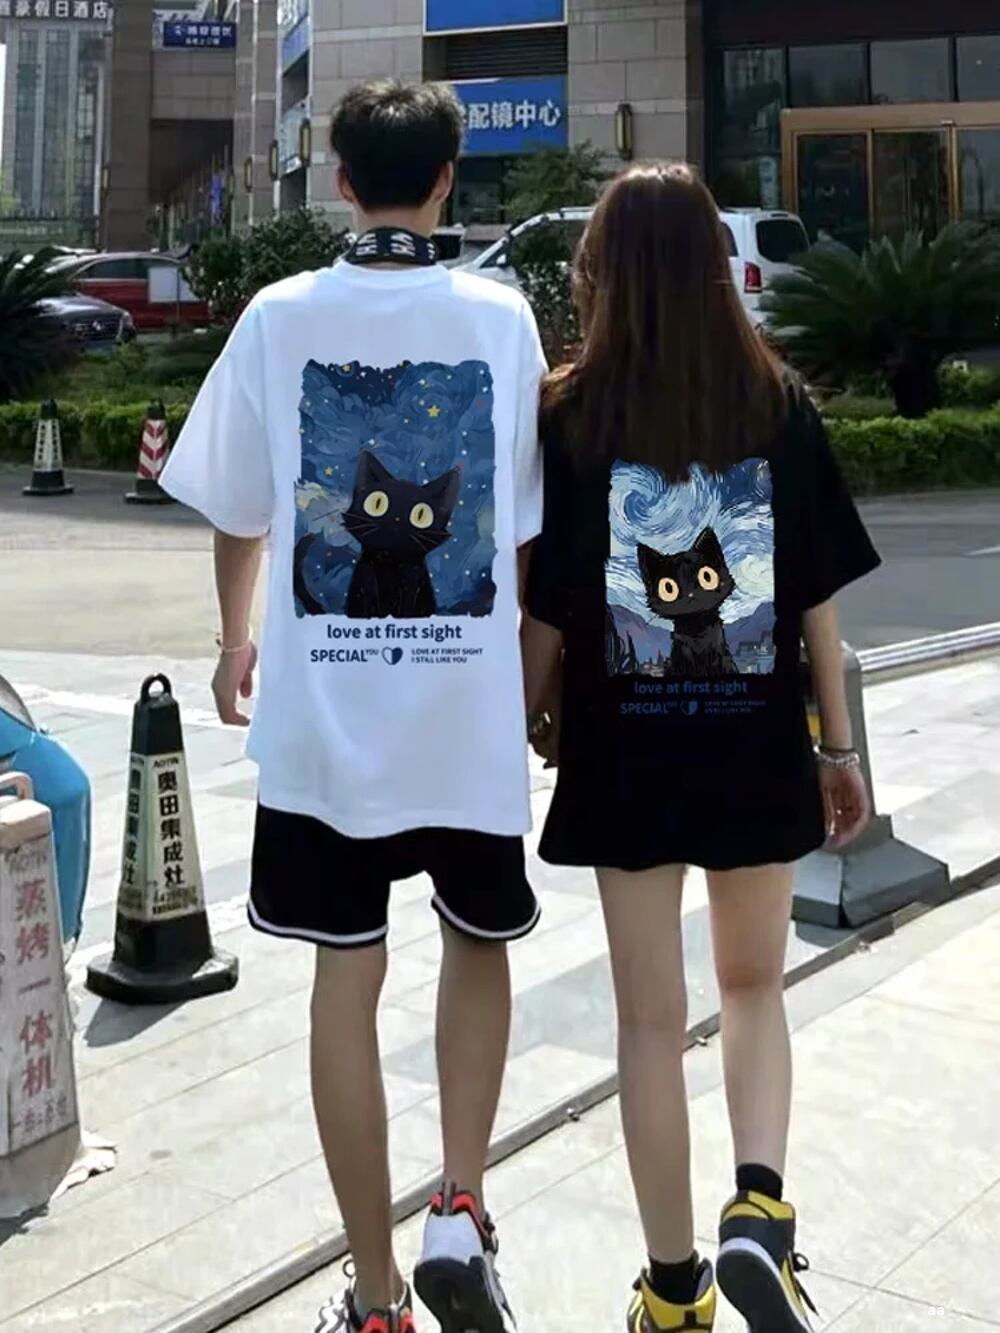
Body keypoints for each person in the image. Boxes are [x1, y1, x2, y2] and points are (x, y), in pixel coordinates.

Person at [161, 80, 546, 1333]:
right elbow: (523, 531)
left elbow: (238, 503)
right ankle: (460, 1209)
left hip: (327, 724)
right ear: (447, 180)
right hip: (465, 715)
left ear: (338, 183)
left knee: (346, 971)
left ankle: (376, 1297)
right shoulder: (501, 316)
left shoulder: (279, 315)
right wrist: (533, 677)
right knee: (477, 941)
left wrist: (236, 641)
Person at [522, 163, 880, 1333]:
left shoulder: (569, 416)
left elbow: (546, 612)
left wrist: (518, 722)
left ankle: (675, 1288)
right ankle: (757, 1214)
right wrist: (837, 749)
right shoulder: (775, 402)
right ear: (719, 271)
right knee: (753, 984)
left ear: (604, 275)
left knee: (646, 1023)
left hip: (623, 758)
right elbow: (816, 603)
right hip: (753, 745)